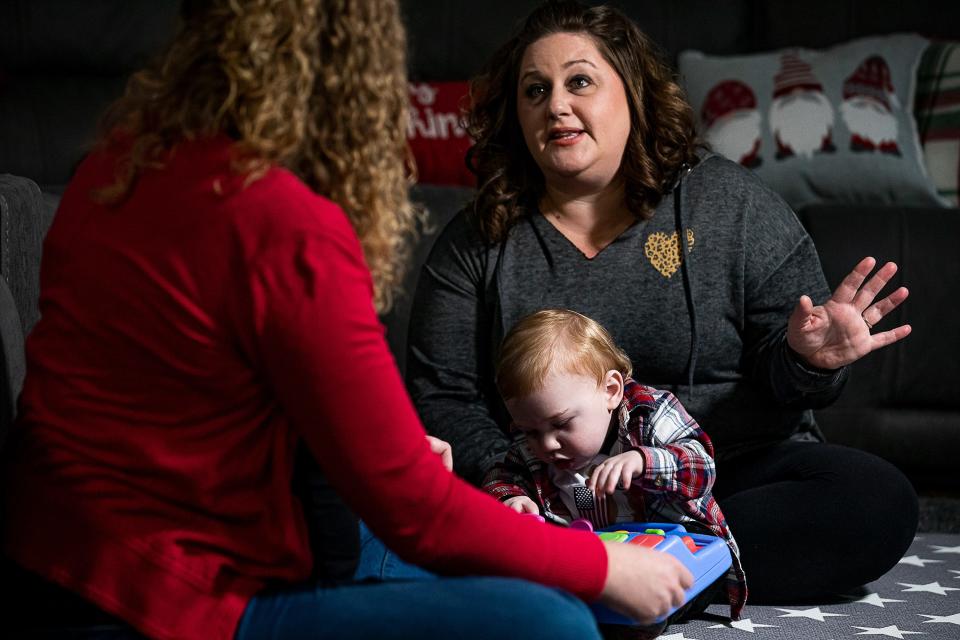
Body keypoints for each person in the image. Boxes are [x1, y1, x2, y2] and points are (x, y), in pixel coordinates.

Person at [0, 1, 697, 639]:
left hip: (42, 556)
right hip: (164, 602)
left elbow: (183, 392)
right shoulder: (285, 223)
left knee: (426, 550)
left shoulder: (114, 165)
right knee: (549, 621)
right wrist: (601, 568)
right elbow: (419, 513)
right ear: (354, 66)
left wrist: (365, 450)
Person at [406, 0, 918, 604]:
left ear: (634, 93)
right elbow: (443, 396)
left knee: (874, 500)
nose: (556, 106)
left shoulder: (731, 204)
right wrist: (515, 489)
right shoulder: (478, 239)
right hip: (552, 488)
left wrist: (809, 360)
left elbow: (789, 387)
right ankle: (615, 565)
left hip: (721, 479)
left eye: (580, 82)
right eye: (535, 91)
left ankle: (585, 569)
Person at [485, 308, 746, 620]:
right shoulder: (534, 445)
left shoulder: (652, 417)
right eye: (530, 431)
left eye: (562, 424)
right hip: (589, 564)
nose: (547, 444)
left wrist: (644, 460)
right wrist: (511, 497)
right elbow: (500, 475)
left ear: (610, 391)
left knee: (637, 613)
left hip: (675, 556)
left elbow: (702, 469)